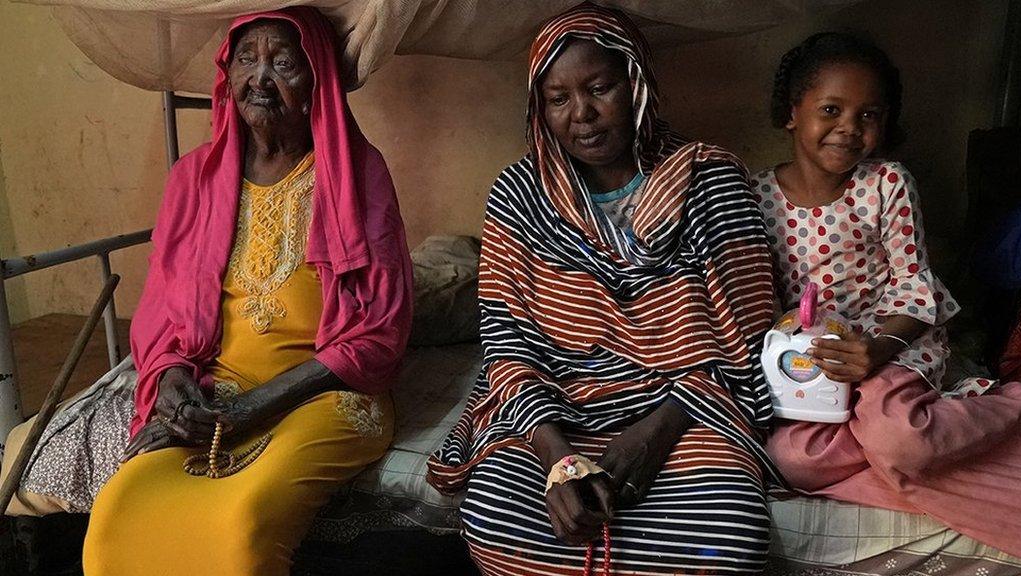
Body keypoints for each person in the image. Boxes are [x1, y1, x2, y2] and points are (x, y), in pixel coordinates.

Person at [428, 4, 780, 574]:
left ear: (636, 83)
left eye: (599, 88)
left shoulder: (710, 177)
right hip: (556, 411)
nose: (583, 116)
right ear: (539, 109)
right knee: (492, 516)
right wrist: (558, 459)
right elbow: (507, 345)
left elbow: (745, 339)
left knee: (732, 533)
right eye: (559, 99)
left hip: (682, 407)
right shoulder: (518, 194)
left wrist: (655, 433)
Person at [75, 7, 413, 574]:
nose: (260, 77)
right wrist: (175, 384)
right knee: (115, 515)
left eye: (283, 63)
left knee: (243, 523)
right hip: (218, 391)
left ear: (317, 81)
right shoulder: (192, 179)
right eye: (246, 61)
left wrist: (255, 409)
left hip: (326, 396)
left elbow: (379, 334)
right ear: (227, 78)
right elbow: (161, 316)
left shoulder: (359, 173)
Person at [751, 32, 1021, 557]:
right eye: (831, 109)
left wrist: (877, 351)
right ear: (792, 113)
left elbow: (915, 285)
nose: (849, 128)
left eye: (869, 115)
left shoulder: (886, 183)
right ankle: (900, 460)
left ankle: (1010, 406)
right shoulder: (755, 195)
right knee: (793, 460)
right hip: (814, 364)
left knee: (902, 437)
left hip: (890, 343)